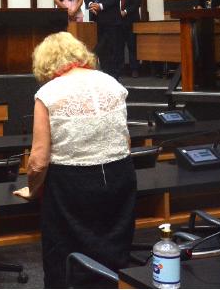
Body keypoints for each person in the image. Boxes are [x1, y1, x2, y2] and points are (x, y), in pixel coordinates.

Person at [14, 32, 136, 287]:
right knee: (113, 252)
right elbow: (125, 140)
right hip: (120, 175)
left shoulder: (48, 93)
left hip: (71, 185)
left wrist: (33, 189)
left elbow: (38, 161)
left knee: (66, 258)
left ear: (45, 62)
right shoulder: (112, 83)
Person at [83, 0, 123, 79]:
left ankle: (114, 78)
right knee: (102, 53)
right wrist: (91, 4)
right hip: (96, 20)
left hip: (111, 21)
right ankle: (105, 76)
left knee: (112, 51)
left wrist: (100, 6)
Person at [119, 0, 142, 78]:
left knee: (133, 46)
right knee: (119, 47)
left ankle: (134, 69)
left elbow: (137, 3)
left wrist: (125, 12)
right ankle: (120, 70)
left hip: (131, 21)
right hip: (118, 22)